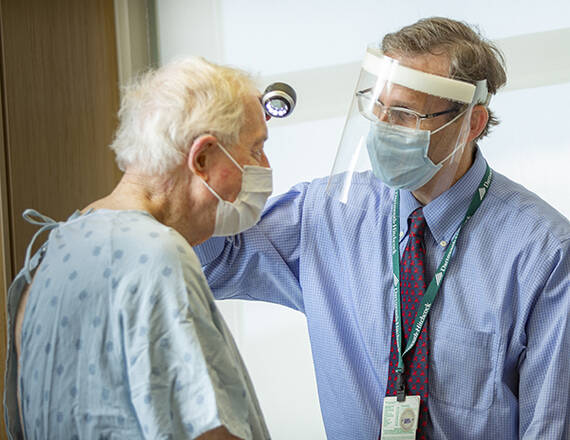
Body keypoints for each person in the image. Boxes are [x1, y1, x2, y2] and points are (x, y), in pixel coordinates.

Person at [194, 17, 570, 439]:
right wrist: (210, 157)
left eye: (406, 113)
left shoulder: (544, 254)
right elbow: (207, 265)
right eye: (379, 106)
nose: (384, 126)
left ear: (472, 123)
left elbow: (551, 428)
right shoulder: (327, 215)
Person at [4, 57, 273, 439]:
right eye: (256, 149)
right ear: (202, 157)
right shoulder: (157, 258)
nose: (265, 165)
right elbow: (207, 431)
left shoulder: (48, 254)